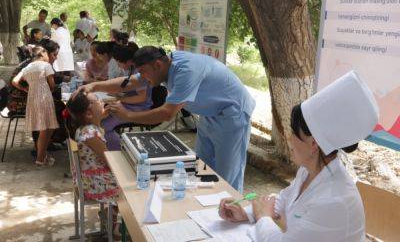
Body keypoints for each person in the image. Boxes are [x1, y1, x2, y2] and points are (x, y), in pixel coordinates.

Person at [218, 71, 379, 241]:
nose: (289, 138)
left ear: (313, 144)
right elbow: (283, 201)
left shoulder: (334, 201)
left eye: (294, 133)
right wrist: (246, 213)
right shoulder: (309, 170)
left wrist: (262, 218)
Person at [83, 47, 255, 192]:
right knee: (203, 167)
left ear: (157, 65)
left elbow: (167, 113)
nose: (143, 78)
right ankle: (208, 207)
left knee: (227, 174)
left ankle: (231, 212)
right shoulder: (166, 63)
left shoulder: (187, 71)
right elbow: (132, 83)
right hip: (210, 115)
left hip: (233, 114)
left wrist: (127, 116)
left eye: (144, 72)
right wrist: (94, 85)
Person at [65, 90, 120, 238]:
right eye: (97, 100)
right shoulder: (91, 133)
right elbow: (108, 159)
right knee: (127, 187)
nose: (102, 101)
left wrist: (100, 116)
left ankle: (109, 216)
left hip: (87, 179)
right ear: (89, 113)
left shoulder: (86, 128)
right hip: (93, 184)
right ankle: (112, 222)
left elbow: (94, 123)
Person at [12, 46, 59, 166]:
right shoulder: (46, 66)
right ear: (42, 54)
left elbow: (14, 81)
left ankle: (42, 156)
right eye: (47, 54)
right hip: (44, 97)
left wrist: (25, 88)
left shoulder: (27, 67)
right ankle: (40, 158)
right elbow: (52, 85)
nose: (48, 56)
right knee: (46, 128)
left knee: (46, 128)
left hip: (32, 98)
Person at [100, 44, 152, 150]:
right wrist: (117, 94)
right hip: (129, 104)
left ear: (128, 61)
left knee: (103, 126)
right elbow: (129, 89)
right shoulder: (132, 69)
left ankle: (118, 151)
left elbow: (142, 98)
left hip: (139, 108)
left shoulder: (140, 72)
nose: (118, 65)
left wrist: (119, 98)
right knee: (100, 119)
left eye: (119, 62)